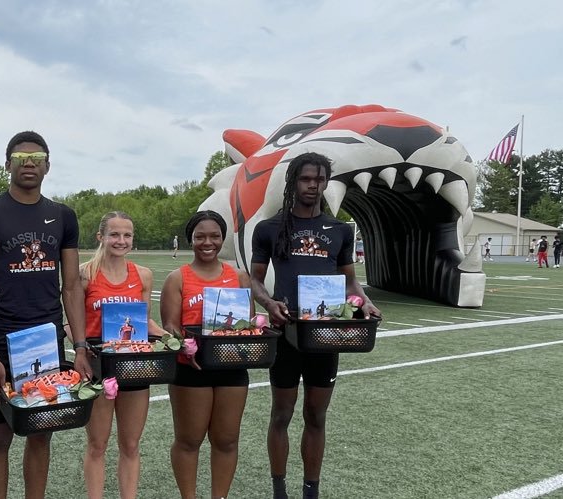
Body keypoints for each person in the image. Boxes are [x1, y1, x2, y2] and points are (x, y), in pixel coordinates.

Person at [250, 152, 381, 499]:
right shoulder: (269, 228)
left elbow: (351, 283)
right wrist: (268, 303)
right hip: (287, 334)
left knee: (316, 416)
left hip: (326, 335)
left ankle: (311, 491)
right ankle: (279, 489)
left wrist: (364, 302)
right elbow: (255, 280)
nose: (313, 185)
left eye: (320, 179)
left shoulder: (339, 230)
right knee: (281, 414)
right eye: (306, 179)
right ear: (293, 182)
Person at [0, 131, 88, 499]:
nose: (29, 163)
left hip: (47, 341)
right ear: (8, 165)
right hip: (3, 339)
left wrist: (81, 346)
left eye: (37, 157)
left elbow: (70, 286)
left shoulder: (63, 216)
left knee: (41, 433)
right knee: (0, 435)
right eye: (21, 158)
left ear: (48, 165)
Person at [161, 210, 253, 499]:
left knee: (226, 440)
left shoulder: (239, 277)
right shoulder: (177, 278)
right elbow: (170, 326)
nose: (207, 242)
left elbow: (247, 323)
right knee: (189, 440)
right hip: (191, 369)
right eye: (200, 236)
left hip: (232, 367)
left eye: (214, 236)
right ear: (191, 239)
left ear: (222, 238)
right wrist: (184, 346)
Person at [77, 211, 164, 499]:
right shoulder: (85, 274)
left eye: (127, 235)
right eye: (114, 234)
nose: (121, 240)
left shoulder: (143, 275)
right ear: (100, 237)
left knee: (130, 445)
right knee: (97, 445)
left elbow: (145, 322)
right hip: (98, 368)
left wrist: (172, 339)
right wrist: (84, 348)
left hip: (134, 367)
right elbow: (71, 321)